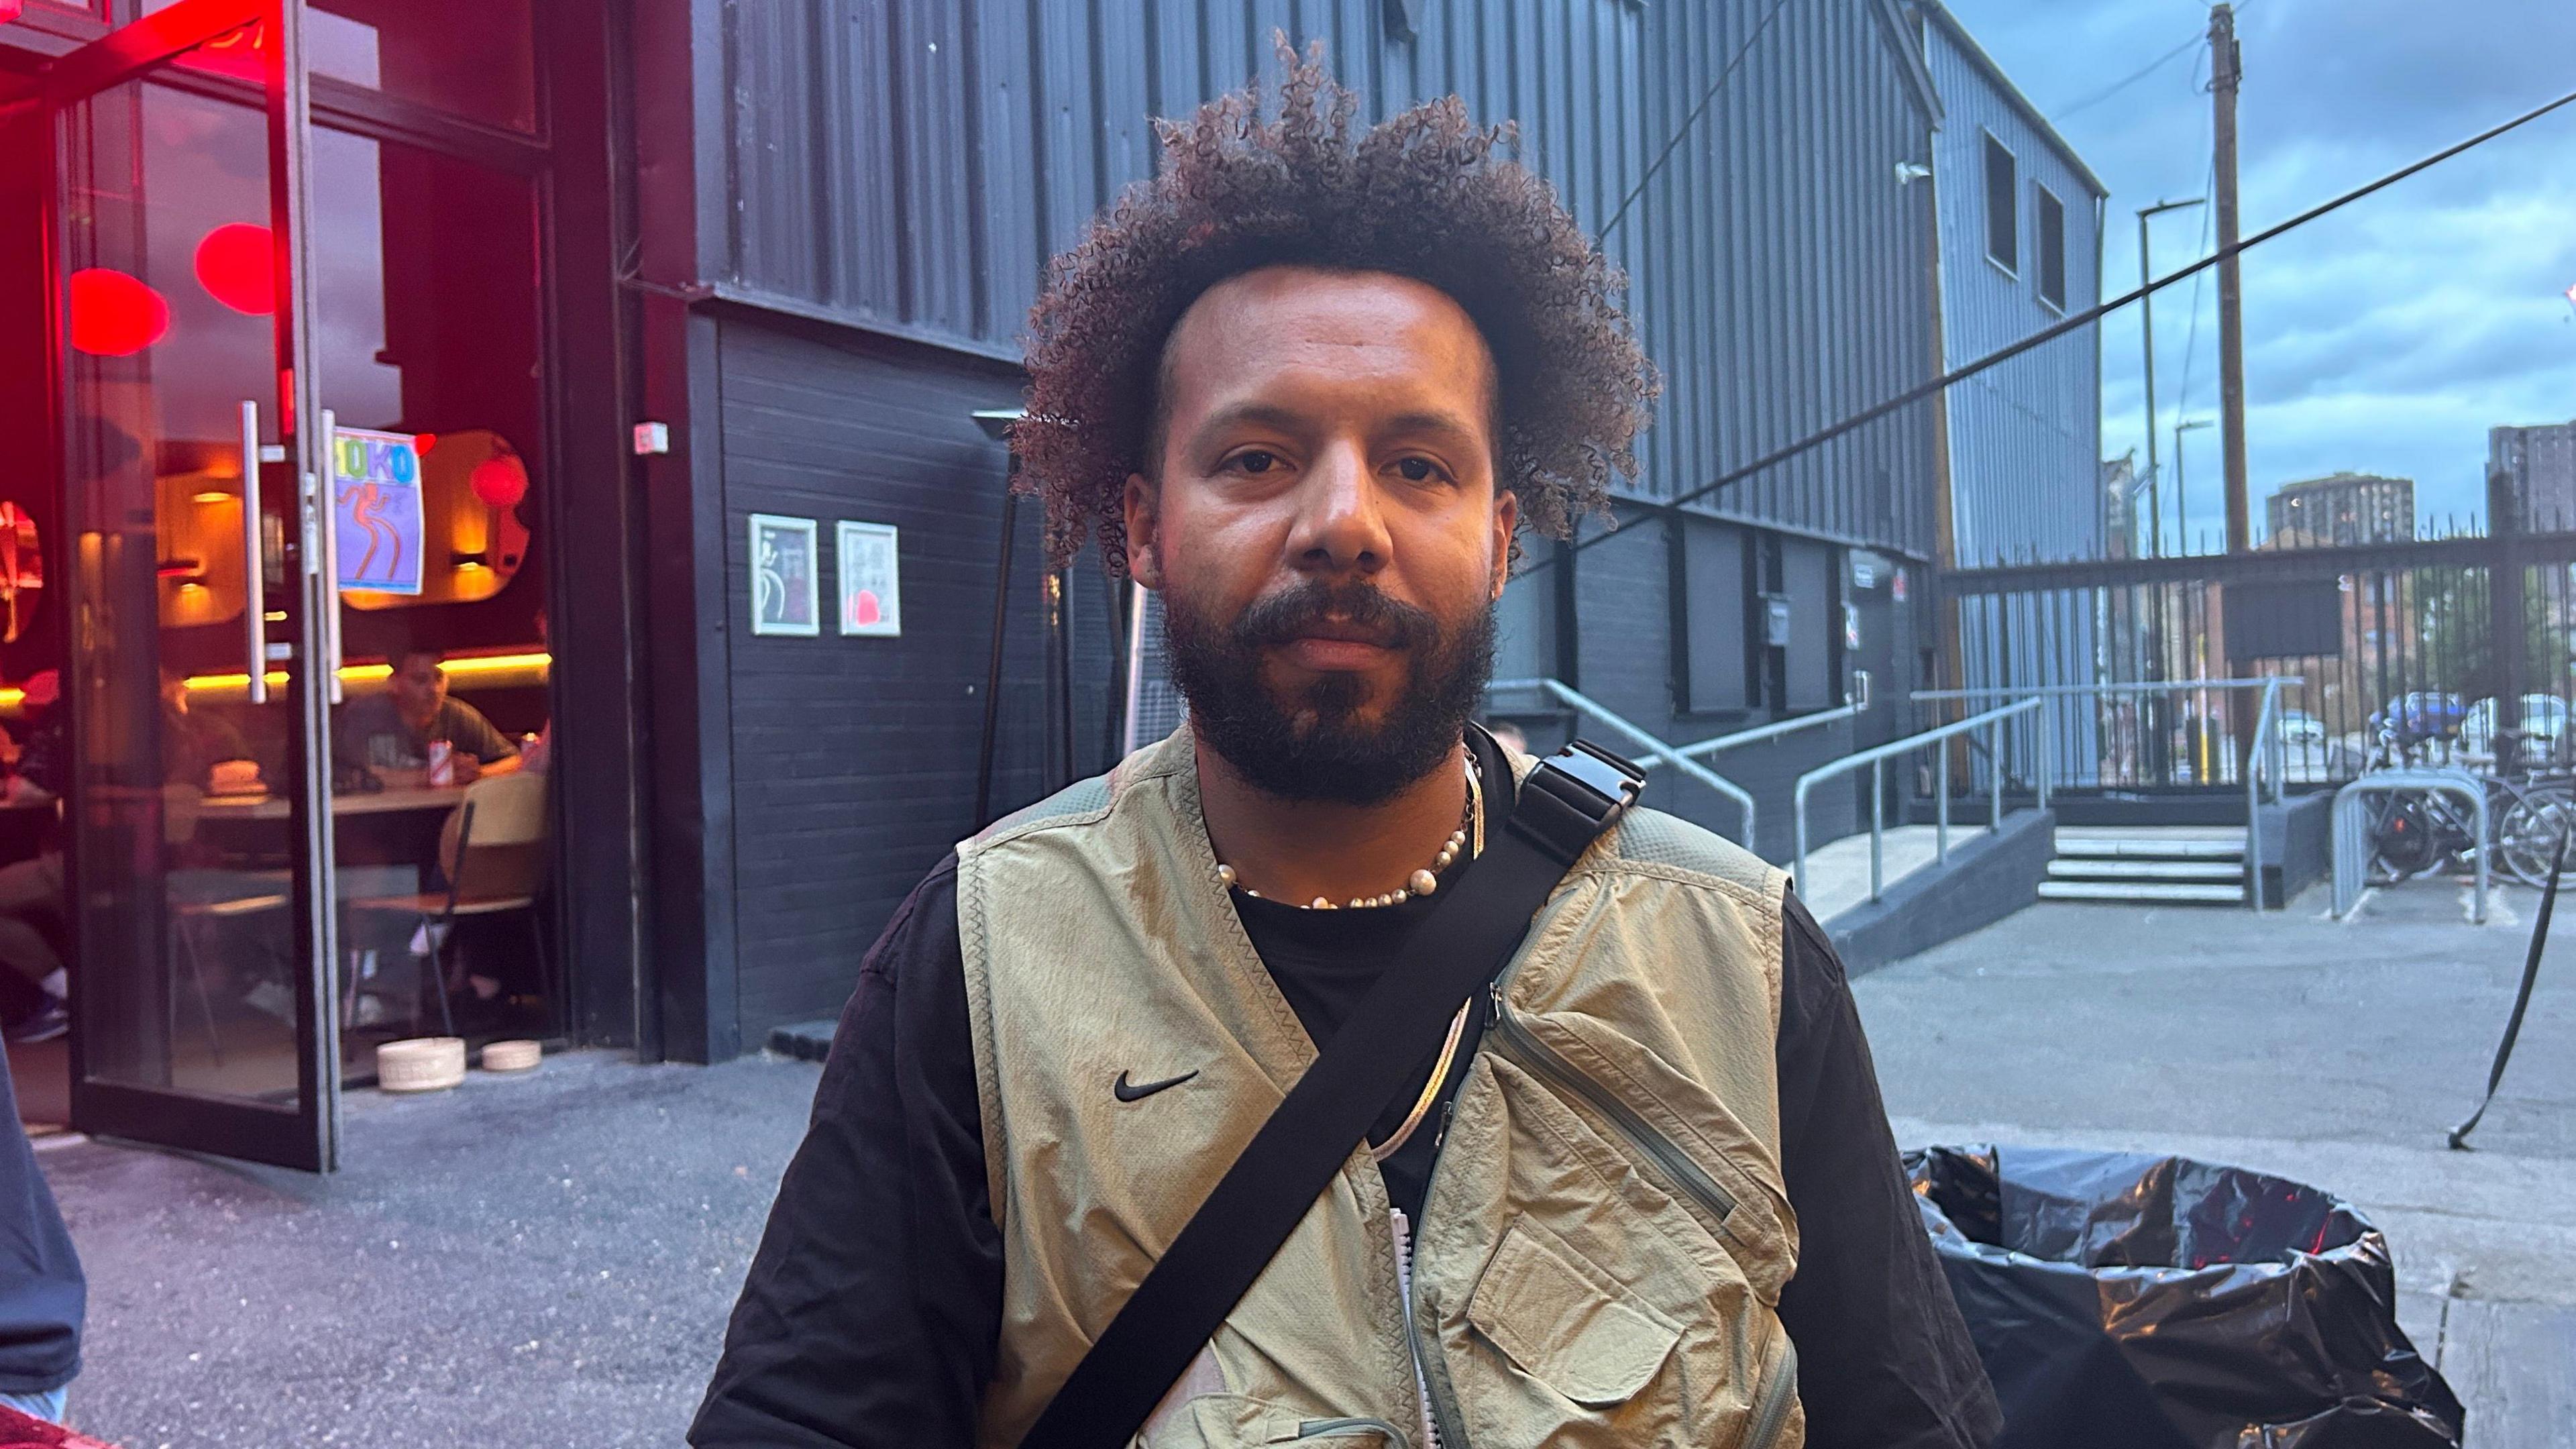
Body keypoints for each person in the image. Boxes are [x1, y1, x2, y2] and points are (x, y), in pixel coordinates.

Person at [693, 49, 1996, 1449]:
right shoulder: (984, 962)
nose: (1344, 522)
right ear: (1140, 524)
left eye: (1420, 465)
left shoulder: (1736, 958)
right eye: (1257, 457)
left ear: (1500, 540)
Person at [333, 647, 520, 782]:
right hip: (373, 823)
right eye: (420, 680)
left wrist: (479, 773)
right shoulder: (366, 714)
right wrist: (437, 774)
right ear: (394, 684)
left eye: (438, 678)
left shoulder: (457, 714)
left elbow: (517, 760)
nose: (433, 689)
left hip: (437, 818)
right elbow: (360, 777)